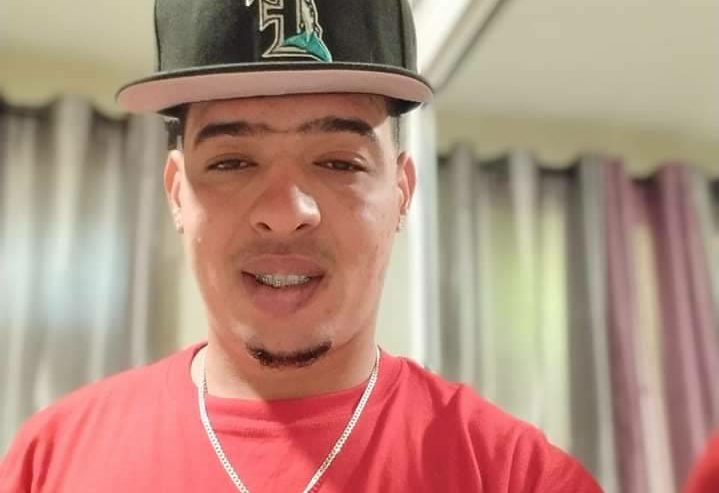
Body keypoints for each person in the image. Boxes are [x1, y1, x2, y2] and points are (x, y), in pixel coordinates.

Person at [1, 0, 602, 491]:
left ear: (401, 192)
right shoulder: (49, 463)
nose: (286, 213)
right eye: (232, 161)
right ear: (177, 193)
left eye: (338, 162)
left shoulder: (518, 477)